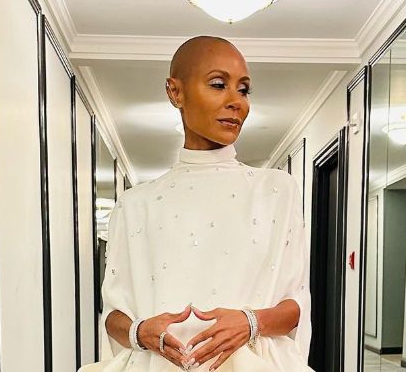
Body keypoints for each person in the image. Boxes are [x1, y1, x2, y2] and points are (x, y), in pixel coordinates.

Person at [80, 36, 313, 372]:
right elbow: (114, 316)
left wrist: (250, 322)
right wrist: (140, 332)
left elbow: (295, 308)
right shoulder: (135, 204)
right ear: (175, 92)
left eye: (244, 89)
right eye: (219, 85)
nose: (236, 102)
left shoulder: (277, 190)